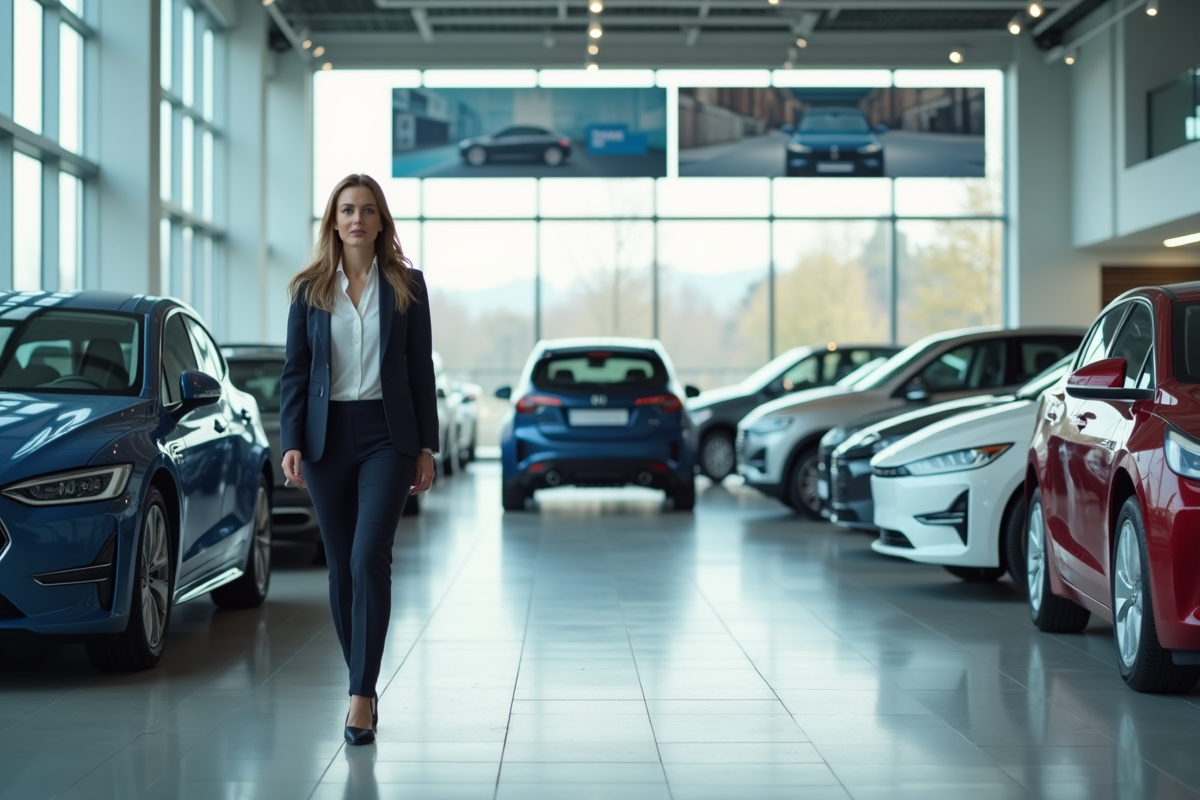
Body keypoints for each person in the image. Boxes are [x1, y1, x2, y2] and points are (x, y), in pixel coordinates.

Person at [279, 174, 438, 746]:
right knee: (341, 564)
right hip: (325, 438)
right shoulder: (308, 289)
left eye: (368, 210)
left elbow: (420, 370)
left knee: (370, 554)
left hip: (386, 437)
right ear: (333, 220)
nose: (357, 220)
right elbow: (296, 370)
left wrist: (426, 446)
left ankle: (359, 697)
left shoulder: (407, 285)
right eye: (347, 210)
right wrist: (290, 440)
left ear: (380, 221)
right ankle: (363, 682)